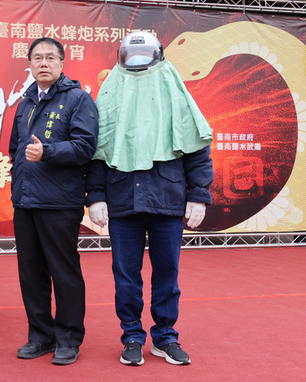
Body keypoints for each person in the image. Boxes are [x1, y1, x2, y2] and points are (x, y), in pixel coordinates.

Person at [86, 31, 214, 367]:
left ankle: (165, 337)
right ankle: (131, 335)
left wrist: (198, 195)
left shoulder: (174, 90)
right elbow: (97, 151)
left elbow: (197, 148)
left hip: (167, 197)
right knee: (125, 274)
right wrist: (95, 197)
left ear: (158, 56)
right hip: (122, 198)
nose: (138, 61)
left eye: (145, 54)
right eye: (132, 54)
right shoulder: (110, 92)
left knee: (167, 272)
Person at [9, 37, 99, 366]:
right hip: (26, 201)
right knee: (31, 273)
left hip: (60, 202)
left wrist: (47, 152)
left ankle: (69, 338)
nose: (43, 63)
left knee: (64, 272)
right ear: (30, 64)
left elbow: (85, 146)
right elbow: (16, 149)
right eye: (37, 58)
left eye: (50, 57)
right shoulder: (25, 102)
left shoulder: (78, 99)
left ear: (62, 62)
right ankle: (40, 336)